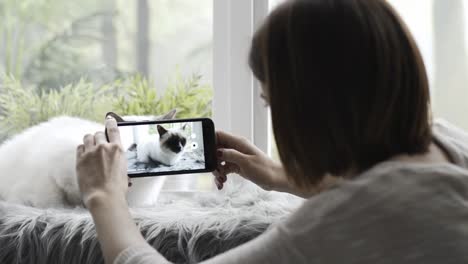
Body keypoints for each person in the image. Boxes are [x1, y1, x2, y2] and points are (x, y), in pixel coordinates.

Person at [76, 0, 468, 263]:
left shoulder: (326, 229)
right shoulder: (447, 141)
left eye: (270, 102)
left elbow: (370, 213)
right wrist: (284, 177)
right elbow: (395, 198)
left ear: (306, 111)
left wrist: (104, 198)